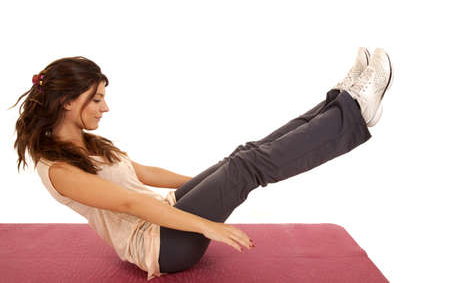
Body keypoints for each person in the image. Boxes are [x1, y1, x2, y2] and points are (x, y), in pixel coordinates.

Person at [9, 47, 393, 280]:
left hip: (162, 218)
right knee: (246, 168)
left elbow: (141, 175)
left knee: (241, 159)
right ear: (66, 101)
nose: (105, 107)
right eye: (96, 99)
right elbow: (129, 204)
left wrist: (213, 181)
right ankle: (355, 112)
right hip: (162, 247)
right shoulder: (58, 170)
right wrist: (207, 224)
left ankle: (342, 100)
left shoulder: (84, 143)